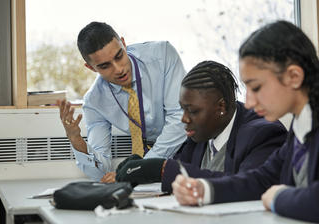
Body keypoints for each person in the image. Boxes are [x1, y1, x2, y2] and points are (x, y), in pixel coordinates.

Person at [172, 21, 319, 223]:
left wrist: (279, 197)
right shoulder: (301, 125)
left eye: (256, 87)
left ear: (294, 76)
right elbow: (263, 178)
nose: (248, 103)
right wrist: (205, 190)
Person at [115, 60, 287, 193]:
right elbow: (180, 169)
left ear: (221, 107)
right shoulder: (200, 132)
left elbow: (247, 184)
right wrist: (143, 169)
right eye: (183, 109)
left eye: (193, 111)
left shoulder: (265, 133)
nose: (184, 119)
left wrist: (162, 169)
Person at [57, 21, 187, 182]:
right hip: (150, 170)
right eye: (105, 66)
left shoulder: (163, 55)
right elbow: (101, 172)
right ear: (91, 68)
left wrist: (139, 169)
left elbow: (180, 119)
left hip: (189, 151)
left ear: (124, 44)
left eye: (119, 56)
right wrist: (76, 141)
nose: (118, 69)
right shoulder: (94, 102)